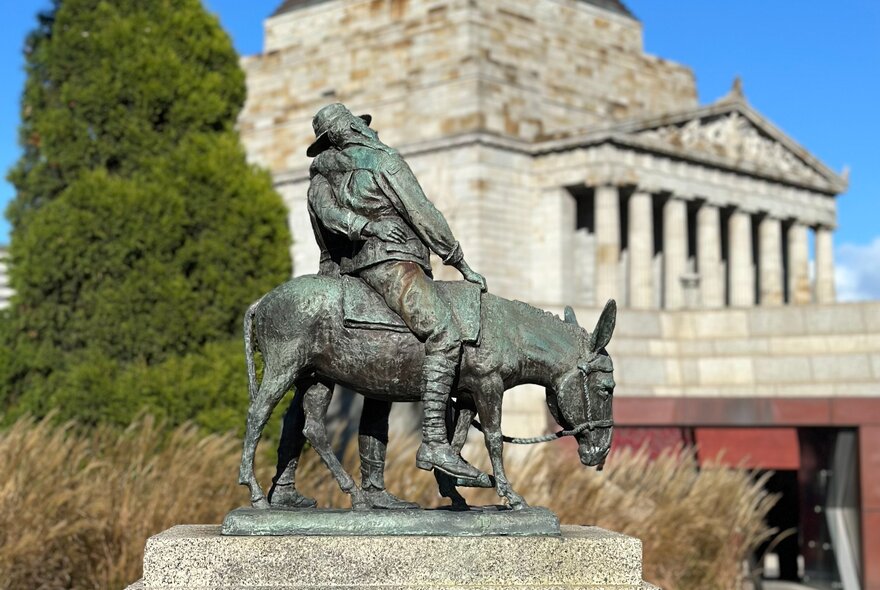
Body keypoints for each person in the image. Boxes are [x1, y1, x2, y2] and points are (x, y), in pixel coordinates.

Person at [306, 103, 486, 481]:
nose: (366, 128)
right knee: (445, 334)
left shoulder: (322, 175)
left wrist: (356, 229)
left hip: (349, 272)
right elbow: (422, 212)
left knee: (379, 379)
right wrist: (460, 262)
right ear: (351, 128)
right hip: (393, 263)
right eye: (358, 122)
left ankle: (372, 484)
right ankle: (435, 441)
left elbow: (327, 217)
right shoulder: (382, 161)